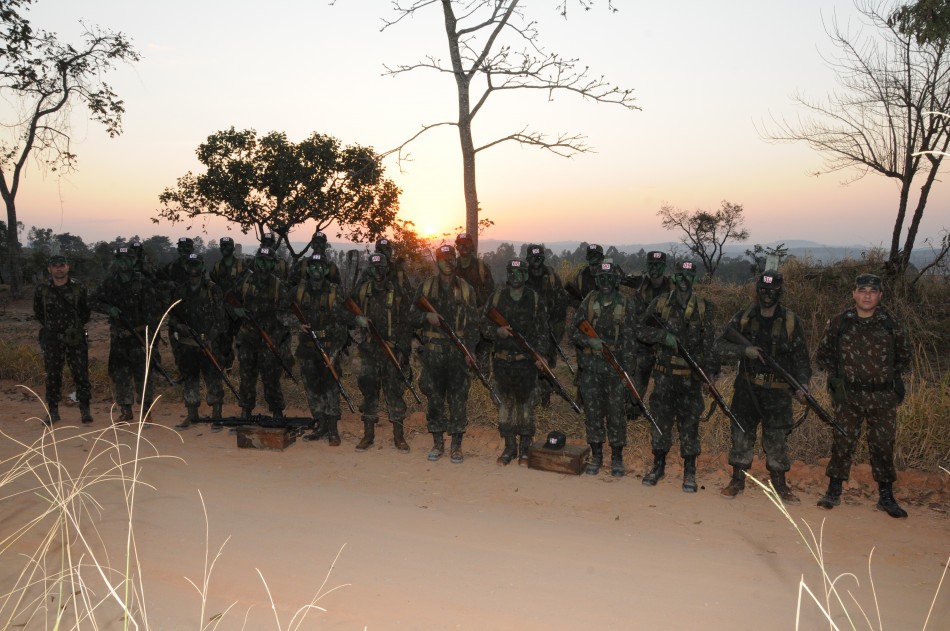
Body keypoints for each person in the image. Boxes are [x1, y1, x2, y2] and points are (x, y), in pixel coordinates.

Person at [815, 273, 912, 518]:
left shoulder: (891, 323)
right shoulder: (840, 322)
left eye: (872, 291)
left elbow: (904, 357)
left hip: (882, 398)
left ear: (880, 295)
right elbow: (823, 355)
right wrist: (838, 378)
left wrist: (886, 379)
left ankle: (886, 496)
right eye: (862, 290)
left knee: (882, 445)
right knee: (842, 442)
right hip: (849, 396)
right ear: (854, 294)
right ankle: (834, 490)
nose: (867, 295)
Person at [715, 270, 811, 503]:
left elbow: (801, 357)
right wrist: (743, 351)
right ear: (758, 290)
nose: (768, 295)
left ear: (780, 292)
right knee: (740, 434)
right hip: (747, 389)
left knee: (777, 438)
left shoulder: (790, 321)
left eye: (773, 290)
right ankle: (737, 480)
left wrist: (803, 384)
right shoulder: (744, 316)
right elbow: (719, 345)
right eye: (764, 290)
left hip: (778, 391)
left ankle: (780, 484)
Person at [638, 260, 718, 492]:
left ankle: (689, 471)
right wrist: (663, 337)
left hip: (690, 378)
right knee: (660, 423)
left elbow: (711, 344)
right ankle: (658, 466)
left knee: (689, 425)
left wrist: (710, 374)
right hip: (664, 376)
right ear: (674, 278)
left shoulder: (704, 307)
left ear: (694, 279)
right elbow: (640, 329)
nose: (684, 280)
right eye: (680, 276)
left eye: (689, 276)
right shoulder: (660, 303)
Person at [569, 261, 639, 477]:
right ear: (597, 281)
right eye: (602, 278)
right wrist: (589, 343)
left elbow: (630, 343)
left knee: (616, 414)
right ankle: (597, 455)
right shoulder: (589, 302)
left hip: (614, 368)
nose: (606, 282)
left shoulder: (625, 304)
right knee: (593, 413)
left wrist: (627, 375)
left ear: (616, 281)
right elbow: (573, 332)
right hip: (591, 369)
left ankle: (617, 458)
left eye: (610, 278)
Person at [412, 244, 479, 463]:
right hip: (433, 353)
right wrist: (425, 318)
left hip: (457, 354)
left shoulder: (467, 289)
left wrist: (470, 350)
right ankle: (438, 444)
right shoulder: (427, 287)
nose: (448, 263)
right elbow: (410, 316)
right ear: (437, 262)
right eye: (443, 259)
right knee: (435, 399)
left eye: (452, 259)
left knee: (458, 398)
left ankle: (456, 445)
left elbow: (473, 325)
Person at [483, 258, 549, 465]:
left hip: (525, 363)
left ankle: (526, 448)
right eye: (511, 272)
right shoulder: (497, 297)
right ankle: (509, 447)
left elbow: (543, 333)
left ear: (526, 275)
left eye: (520, 272)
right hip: (502, 363)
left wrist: (541, 355)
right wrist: (497, 331)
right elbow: (482, 324)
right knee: (505, 407)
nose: (515, 276)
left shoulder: (535, 300)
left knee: (526, 407)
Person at [352, 253, 414, 453]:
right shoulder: (362, 291)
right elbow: (344, 311)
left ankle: (399, 437)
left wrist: (403, 351)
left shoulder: (397, 292)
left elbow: (407, 323)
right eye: (373, 268)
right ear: (368, 269)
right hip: (369, 351)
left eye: (381, 268)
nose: (377, 272)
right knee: (369, 392)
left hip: (391, 351)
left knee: (394, 393)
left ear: (387, 269)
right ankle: (368, 436)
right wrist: (356, 320)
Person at [92, 247, 162, 422]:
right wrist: (109, 309)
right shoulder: (110, 282)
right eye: (120, 259)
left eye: (127, 259)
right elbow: (91, 300)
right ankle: (126, 410)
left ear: (133, 261)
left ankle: (146, 411)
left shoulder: (143, 282)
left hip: (138, 336)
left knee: (143, 376)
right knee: (120, 375)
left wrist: (152, 337)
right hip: (119, 338)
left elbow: (154, 312)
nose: (124, 263)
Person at [293, 252, 350, 446]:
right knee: (312, 390)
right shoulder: (298, 291)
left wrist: (334, 352)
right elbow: (281, 312)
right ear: (308, 269)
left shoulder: (335, 292)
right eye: (313, 266)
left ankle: (333, 430)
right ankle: (320, 426)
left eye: (320, 267)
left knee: (331, 389)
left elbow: (343, 324)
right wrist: (295, 323)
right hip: (307, 350)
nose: (316, 270)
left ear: (326, 270)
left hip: (328, 348)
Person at [168, 253, 227, 429]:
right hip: (187, 344)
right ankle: (192, 416)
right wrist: (180, 327)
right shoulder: (180, 290)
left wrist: (209, 339)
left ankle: (216, 417)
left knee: (213, 380)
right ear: (186, 267)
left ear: (202, 266)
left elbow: (221, 320)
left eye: (197, 264)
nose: (193, 268)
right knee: (190, 380)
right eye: (190, 264)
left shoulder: (212, 289)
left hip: (207, 343)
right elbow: (171, 317)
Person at [232, 247, 293, 419]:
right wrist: (237, 311)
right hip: (247, 337)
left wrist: (275, 338)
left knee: (271, 376)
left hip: (269, 338)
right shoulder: (245, 282)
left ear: (273, 263)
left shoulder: (278, 286)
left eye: (267, 261)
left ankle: (277, 411)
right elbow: (229, 300)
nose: (263, 265)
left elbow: (285, 315)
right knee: (246, 376)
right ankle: (246, 410)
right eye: (260, 261)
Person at [33, 254, 94, 425]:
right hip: (52, 339)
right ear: (49, 269)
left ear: (67, 267)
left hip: (75, 339)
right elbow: (38, 312)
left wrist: (73, 328)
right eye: (55, 266)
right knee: (53, 375)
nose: (59, 268)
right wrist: (52, 329)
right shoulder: (42, 289)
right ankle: (52, 412)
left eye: (62, 265)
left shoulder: (78, 288)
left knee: (81, 374)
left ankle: (85, 410)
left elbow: (85, 312)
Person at [524, 243, 568, 404]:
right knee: (528, 361)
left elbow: (561, 304)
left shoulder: (551, 277)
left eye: (539, 257)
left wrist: (555, 329)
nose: (536, 260)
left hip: (547, 328)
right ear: (528, 258)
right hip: (527, 328)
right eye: (533, 257)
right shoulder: (522, 276)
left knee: (546, 362)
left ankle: (545, 398)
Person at [631, 251, 674, 391]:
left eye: (658, 265)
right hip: (645, 342)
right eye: (651, 265)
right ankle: (634, 409)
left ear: (664, 267)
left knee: (666, 385)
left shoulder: (674, 289)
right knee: (638, 380)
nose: (654, 269)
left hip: (668, 343)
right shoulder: (640, 291)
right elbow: (636, 322)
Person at [209, 236, 246, 369]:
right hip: (224, 310)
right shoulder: (217, 266)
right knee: (225, 340)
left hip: (239, 309)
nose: (225, 248)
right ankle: (227, 367)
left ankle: (245, 367)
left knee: (242, 341)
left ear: (233, 247)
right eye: (223, 246)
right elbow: (213, 287)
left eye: (228, 245)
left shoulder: (242, 265)